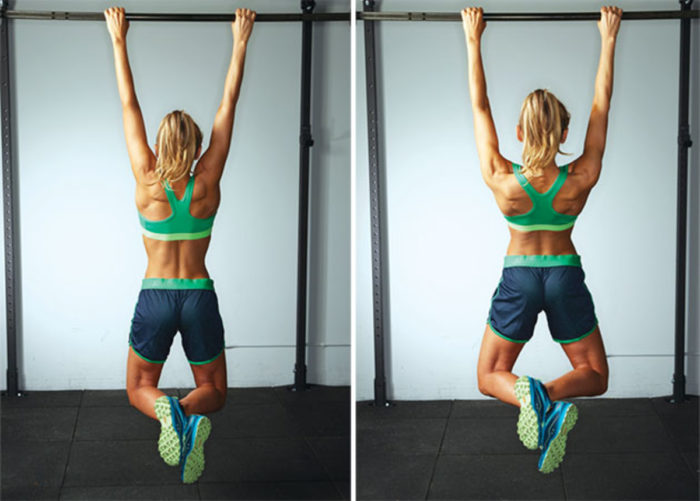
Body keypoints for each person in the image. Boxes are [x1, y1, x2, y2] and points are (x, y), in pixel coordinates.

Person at [461, 5, 622, 473]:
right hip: (565, 274)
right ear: (566, 131)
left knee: (489, 375)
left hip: (519, 277)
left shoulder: (500, 177)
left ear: (518, 132)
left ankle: (533, 399)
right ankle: (548, 398)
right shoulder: (582, 176)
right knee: (594, 374)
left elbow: (479, 105)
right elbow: (602, 102)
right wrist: (608, 38)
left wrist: (473, 39)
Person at [104, 6, 256, 483]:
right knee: (214, 389)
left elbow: (129, 104)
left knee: (138, 388)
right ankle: (187, 411)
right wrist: (240, 41)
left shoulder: (147, 180)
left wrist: (118, 40)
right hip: (198, 295)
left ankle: (168, 412)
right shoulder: (207, 180)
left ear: (161, 143)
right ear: (193, 145)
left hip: (155, 295)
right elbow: (227, 104)